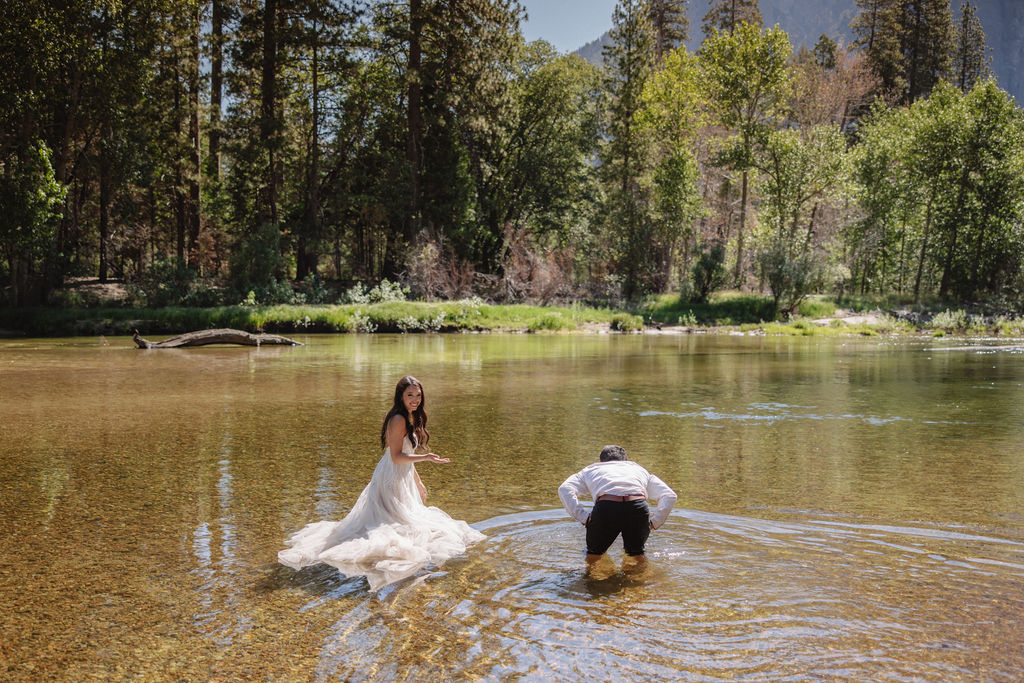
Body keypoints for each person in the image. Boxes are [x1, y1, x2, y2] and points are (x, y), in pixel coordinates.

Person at [278, 376, 485, 589]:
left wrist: (419, 482)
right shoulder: (398, 419)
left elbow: (406, 454)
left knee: (405, 523)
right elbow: (396, 456)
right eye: (410, 395)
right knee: (391, 528)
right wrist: (427, 457)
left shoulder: (408, 416)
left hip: (402, 476)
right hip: (391, 478)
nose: (415, 400)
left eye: (418, 395)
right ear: (401, 397)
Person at [558, 445, 677, 564]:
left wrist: (583, 517)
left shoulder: (590, 470)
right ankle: (640, 580)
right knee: (636, 555)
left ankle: (593, 581)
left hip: (607, 508)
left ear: (601, 461)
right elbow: (669, 495)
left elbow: (565, 489)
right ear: (625, 461)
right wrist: (655, 522)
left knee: (594, 554)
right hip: (637, 507)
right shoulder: (639, 470)